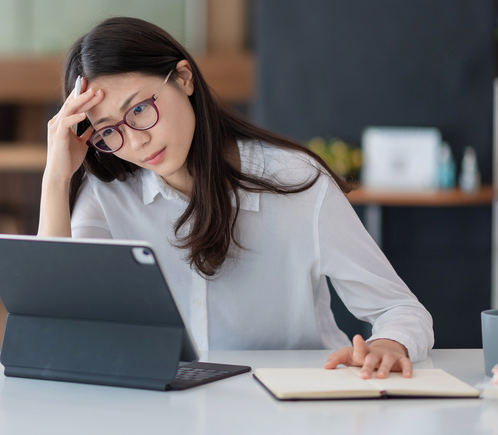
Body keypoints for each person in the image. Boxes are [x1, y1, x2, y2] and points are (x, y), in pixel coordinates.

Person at [38, 16, 433, 379]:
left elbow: (399, 309)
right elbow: (59, 325)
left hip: (295, 408)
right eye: (108, 131)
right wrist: (56, 179)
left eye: (140, 108)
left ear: (183, 78)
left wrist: (388, 343)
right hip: (168, 413)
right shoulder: (110, 195)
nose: (137, 140)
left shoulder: (295, 181)